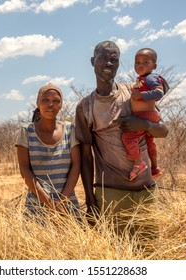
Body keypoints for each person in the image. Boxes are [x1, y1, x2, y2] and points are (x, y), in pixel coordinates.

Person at [75, 41, 168, 235]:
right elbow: (86, 157)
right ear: (93, 62)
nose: (108, 63)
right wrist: (90, 199)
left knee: (150, 252)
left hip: (146, 191)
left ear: (118, 64)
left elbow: (163, 131)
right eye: (102, 58)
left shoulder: (133, 92)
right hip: (110, 193)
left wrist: (145, 125)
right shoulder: (85, 107)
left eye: (114, 60)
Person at [16, 83, 81, 217]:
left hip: (68, 207)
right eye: (45, 100)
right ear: (38, 103)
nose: (50, 104)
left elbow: (76, 166)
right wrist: (49, 203)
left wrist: (62, 201)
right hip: (37, 208)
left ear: (61, 105)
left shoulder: (70, 130)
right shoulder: (26, 131)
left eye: (55, 101)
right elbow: (24, 170)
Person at [122, 48, 169, 181]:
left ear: (154, 66)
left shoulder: (151, 78)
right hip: (146, 115)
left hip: (145, 116)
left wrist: (141, 95)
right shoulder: (142, 79)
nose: (140, 65)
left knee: (128, 137)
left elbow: (159, 92)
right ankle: (155, 168)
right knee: (149, 142)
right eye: (137, 62)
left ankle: (138, 163)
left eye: (145, 62)